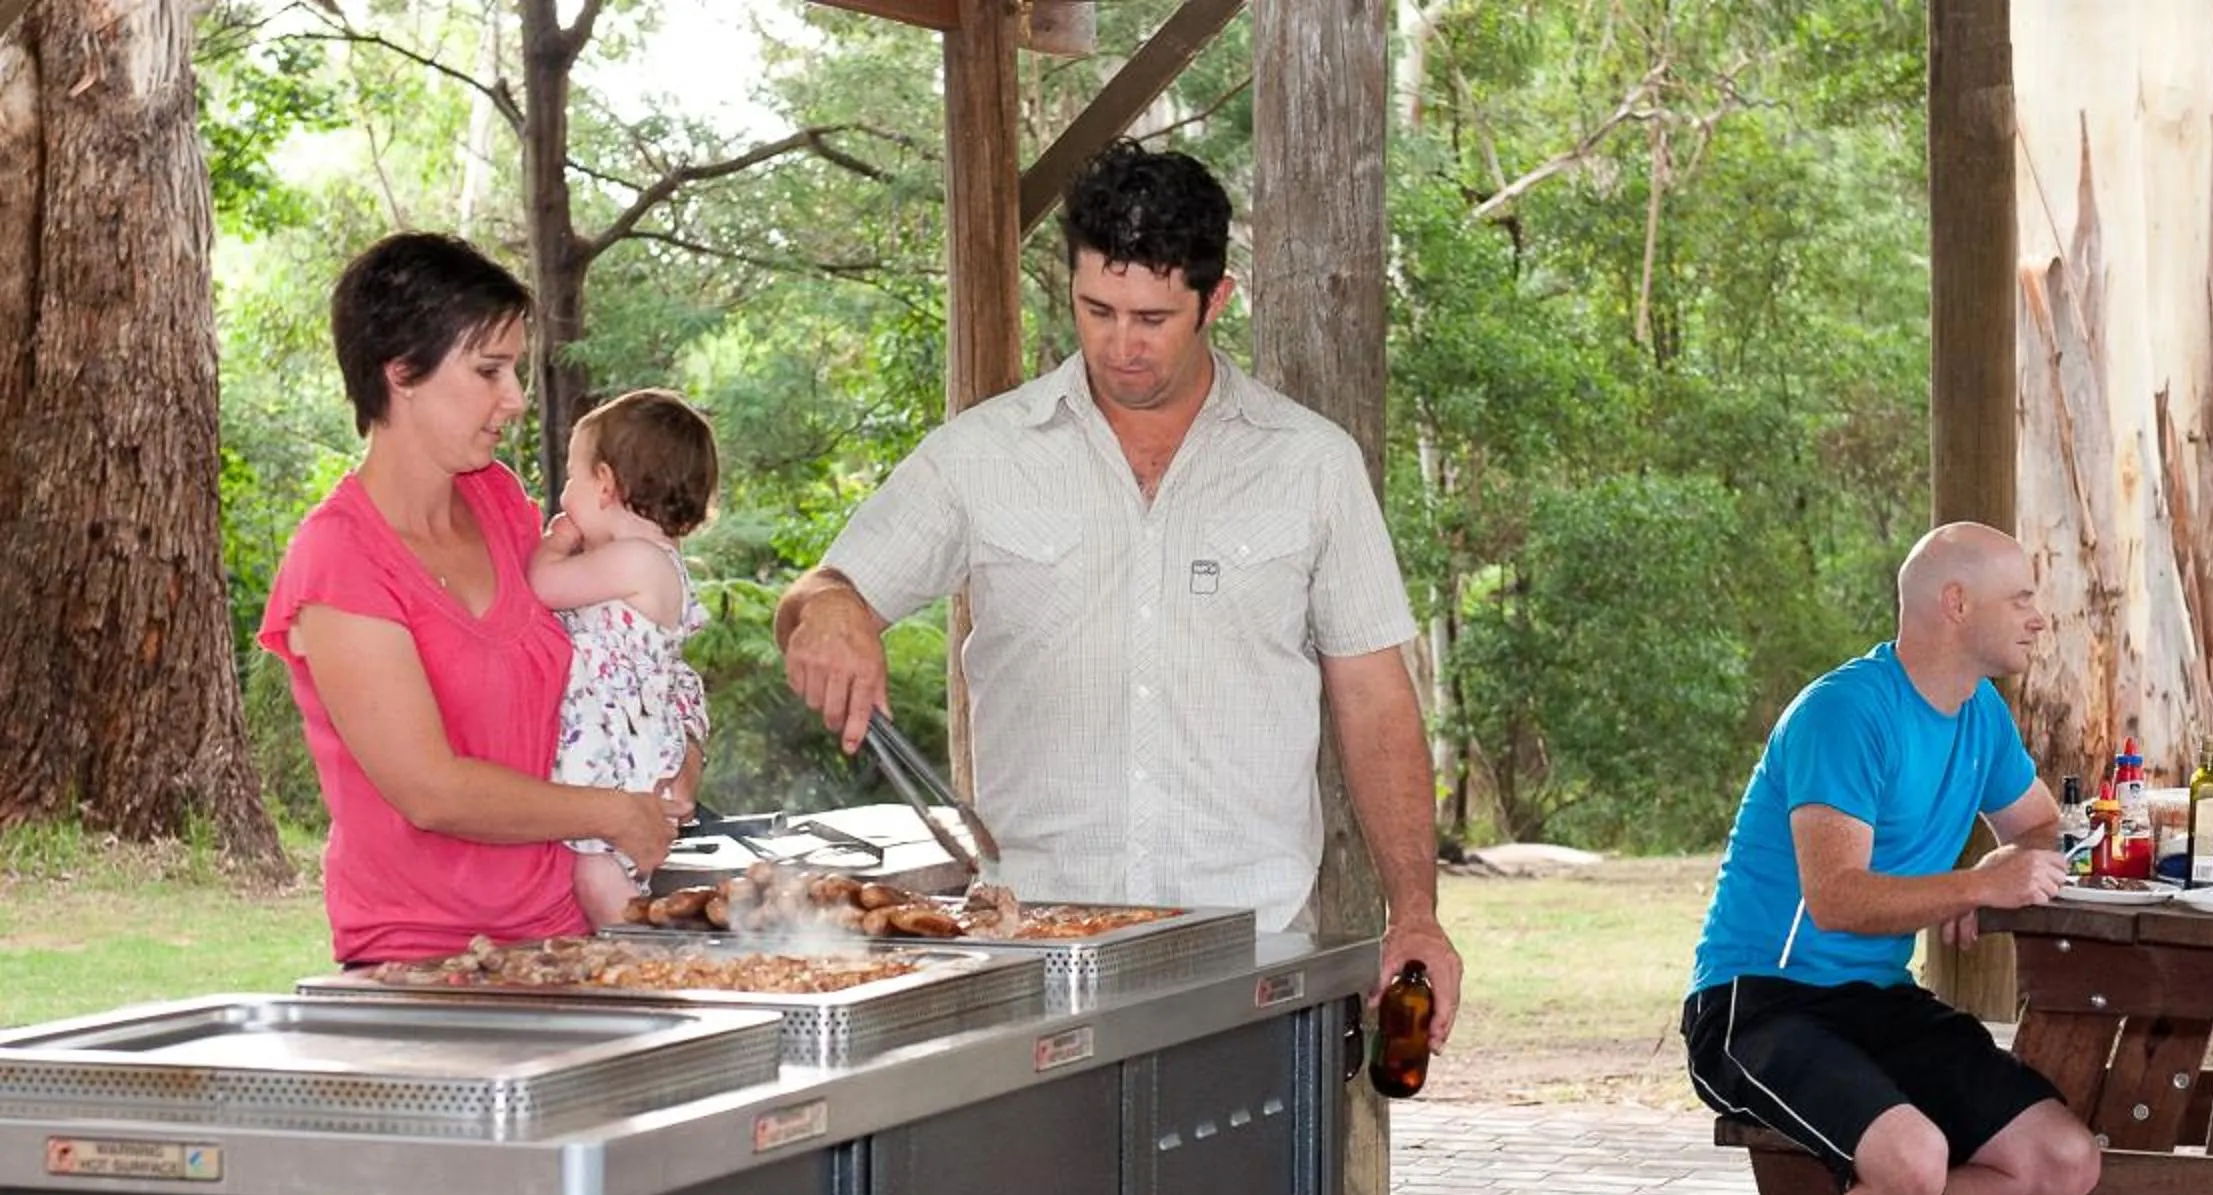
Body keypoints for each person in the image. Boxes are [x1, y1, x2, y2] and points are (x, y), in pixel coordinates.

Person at [772, 141, 1459, 1032]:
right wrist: (828, 610)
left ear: (1217, 299)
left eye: (1152, 317)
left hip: (1247, 957)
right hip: (1035, 955)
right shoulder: (980, 456)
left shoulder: (1313, 466)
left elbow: (1375, 700)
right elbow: (822, 589)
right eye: (1097, 309)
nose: (1121, 345)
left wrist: (1415, 912)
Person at [1684, 523, 2101, 1195]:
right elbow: (1835, 896)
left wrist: (1981, 887)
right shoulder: (1846, 711)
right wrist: (1966, 886)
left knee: (2062, 1166)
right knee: (1912, 1162)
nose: (2037, 616)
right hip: (1759, 1003)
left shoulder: (1979, 713)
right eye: (2020, 597)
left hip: (1877, 998)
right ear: (1956, 604)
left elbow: (2035, 828)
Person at [259, 233, 677, 965]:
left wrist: (676, 756)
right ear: (401, 373)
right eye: (489, 371)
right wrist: (615, 813)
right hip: (421, 962)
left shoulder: (503, 505)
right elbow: (432, 790)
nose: (514, 399)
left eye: (512, 369)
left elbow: (615, 663)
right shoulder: (338, 561)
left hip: (568, 940)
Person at [528, 389, 720, 927]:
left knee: (596, 869)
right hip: (630, 742)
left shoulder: (634, 561)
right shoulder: (654, 559)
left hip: (618, 752)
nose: (564, 495)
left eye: (572, 478)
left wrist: (552, 543)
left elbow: (541, 585)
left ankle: (637, 950)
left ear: (606, 485)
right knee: (602, 866)